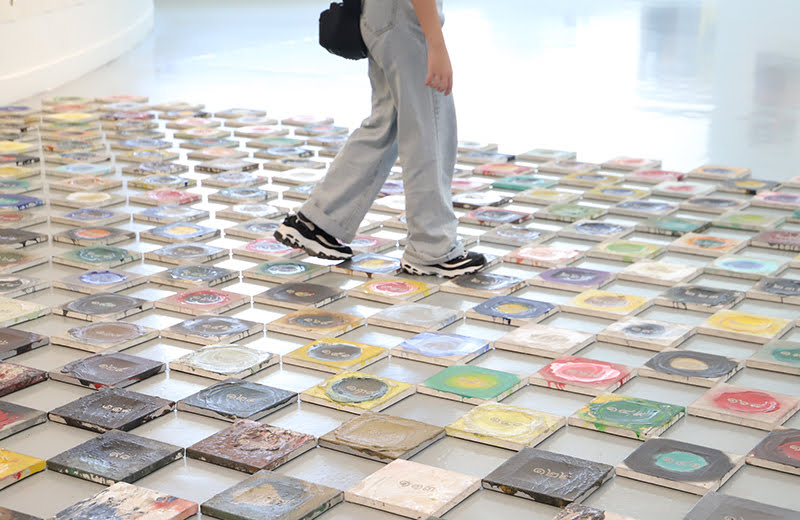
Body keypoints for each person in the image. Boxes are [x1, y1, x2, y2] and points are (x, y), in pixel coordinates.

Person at [274, 0, 487, 277]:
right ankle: (432, 248)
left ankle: (316, 221)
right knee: (429, 127)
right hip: (404, 17)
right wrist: (436, 44)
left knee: (388, 122)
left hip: (381, 14)